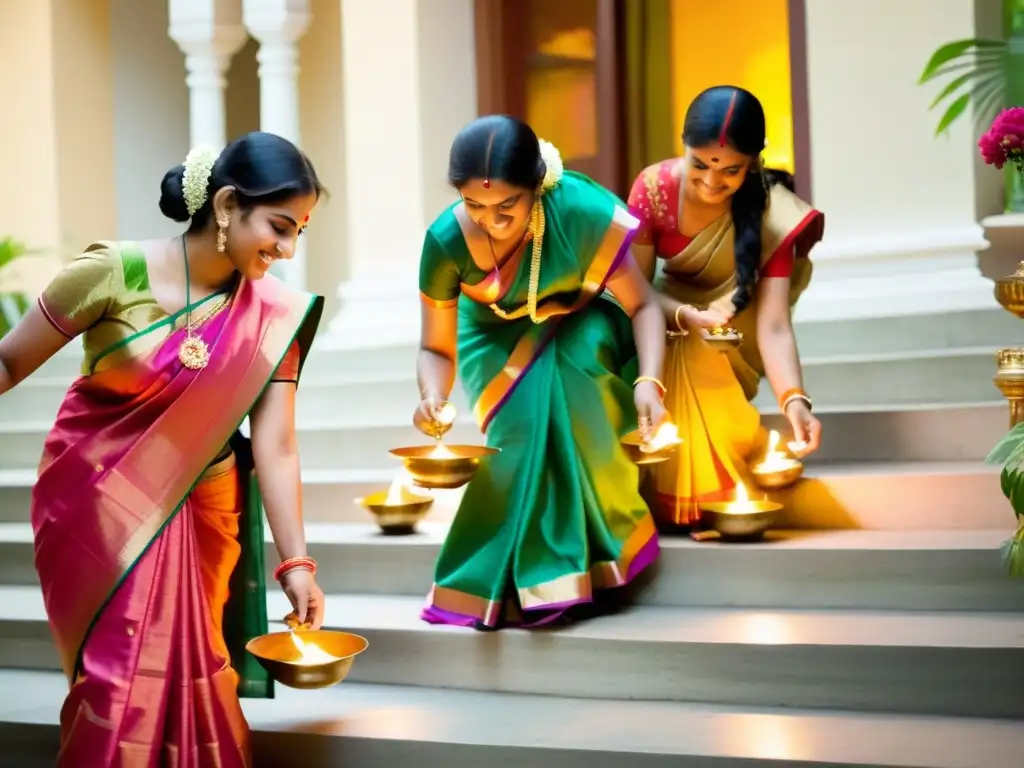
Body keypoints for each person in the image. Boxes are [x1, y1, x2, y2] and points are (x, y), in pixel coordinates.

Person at [0, 131, 327, 766]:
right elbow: (10, 361)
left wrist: (298, 564)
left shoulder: (274, 315)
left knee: (198, 671)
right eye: (279, 226)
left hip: (207, 509)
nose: (286, 251)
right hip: (99, 509)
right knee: (120, 680)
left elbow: (277, 446)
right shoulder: (113, 271)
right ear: (228, 204)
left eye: (300, 233)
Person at [415, 115, 668, 630]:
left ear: (537, 188)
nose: (491, 221)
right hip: (491, 333)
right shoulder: (444, 242)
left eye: (507, 206)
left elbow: (644, 307)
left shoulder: (579, 211)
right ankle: (510, 583)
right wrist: (432, 396)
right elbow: (434, 349)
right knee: (520, 430)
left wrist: (649, 381)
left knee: (580, 385)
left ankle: (590, 564)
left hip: (579, 316)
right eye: (474, 206)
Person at [627, 86, 825, 529]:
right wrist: (683, 314)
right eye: (700, 164)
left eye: (731, 171)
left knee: (707, 350)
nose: (712, 182)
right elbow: (634, 290)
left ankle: (713, 491)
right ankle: (695, 493)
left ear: (753, 161)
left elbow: (773, 326)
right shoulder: (654, 189)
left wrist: (795, 401)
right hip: (660, 317)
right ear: (683, 146)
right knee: (690, 348)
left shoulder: (774, 213)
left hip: (735, 323)